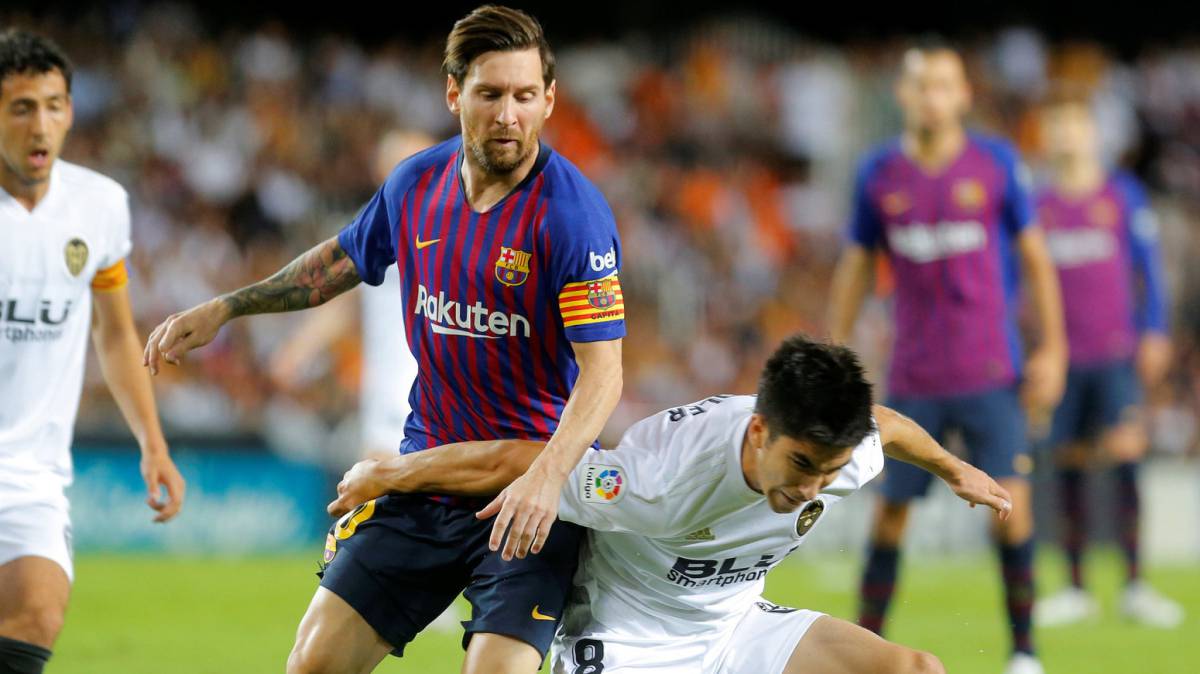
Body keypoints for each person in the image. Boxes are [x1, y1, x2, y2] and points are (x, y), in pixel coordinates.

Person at [143, 6, 625, 673]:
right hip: (424, 478)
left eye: (524, 96)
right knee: (311, 665)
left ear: (549, 98)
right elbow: (336, 266)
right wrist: (228, 307)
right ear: (454, 94)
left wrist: (546, 481)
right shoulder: (416, 184)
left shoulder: (572, 218)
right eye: (490, 94)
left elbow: (605, 373)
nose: (509, 115)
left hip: (522, 487)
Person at [328, 335, 1014, 674]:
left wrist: (953, 468)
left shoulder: (836, 451)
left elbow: (885, 426)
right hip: (629, 641)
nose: (810, 488)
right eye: (800, 466)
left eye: (826, 470)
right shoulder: (660, 483)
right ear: (757, 432)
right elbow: (526, 461)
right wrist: (392, 474)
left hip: (734, 626)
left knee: (915, 670)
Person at [827, 42, 1067, 674]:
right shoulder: (878, 172)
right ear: (903, 95)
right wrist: (835, 351)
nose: (930, 95)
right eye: (920, 84)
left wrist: (1054, 348)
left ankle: (1024, 654)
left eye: (942, 84)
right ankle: (867, 646)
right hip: (914, 376)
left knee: (1010, 509)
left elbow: (1037, 259)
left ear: (962, 95)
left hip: (991, 371)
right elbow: (855, 265)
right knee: (890, 517)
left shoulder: (995, 163)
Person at [0, 29, 186, 674]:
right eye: (21, 106)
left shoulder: (99, 205)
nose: (40, 123)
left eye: (53, 105)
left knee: (38, 613)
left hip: (31, 473)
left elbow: (114, 333)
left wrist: (153, 444)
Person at [1032, 92, 1182, 629]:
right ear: (1047, 137)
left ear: (1092, 132)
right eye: (1057, 126)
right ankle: (1074, 587)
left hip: (1116, 352)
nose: (1066, 135)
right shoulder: (1039, 203)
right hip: (1065, 358)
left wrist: (1156, 331)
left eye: (1075, 124)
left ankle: (1136, 583)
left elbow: (1150, 270)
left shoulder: (1122, 194)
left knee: (1125, 457)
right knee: (1068, 462)